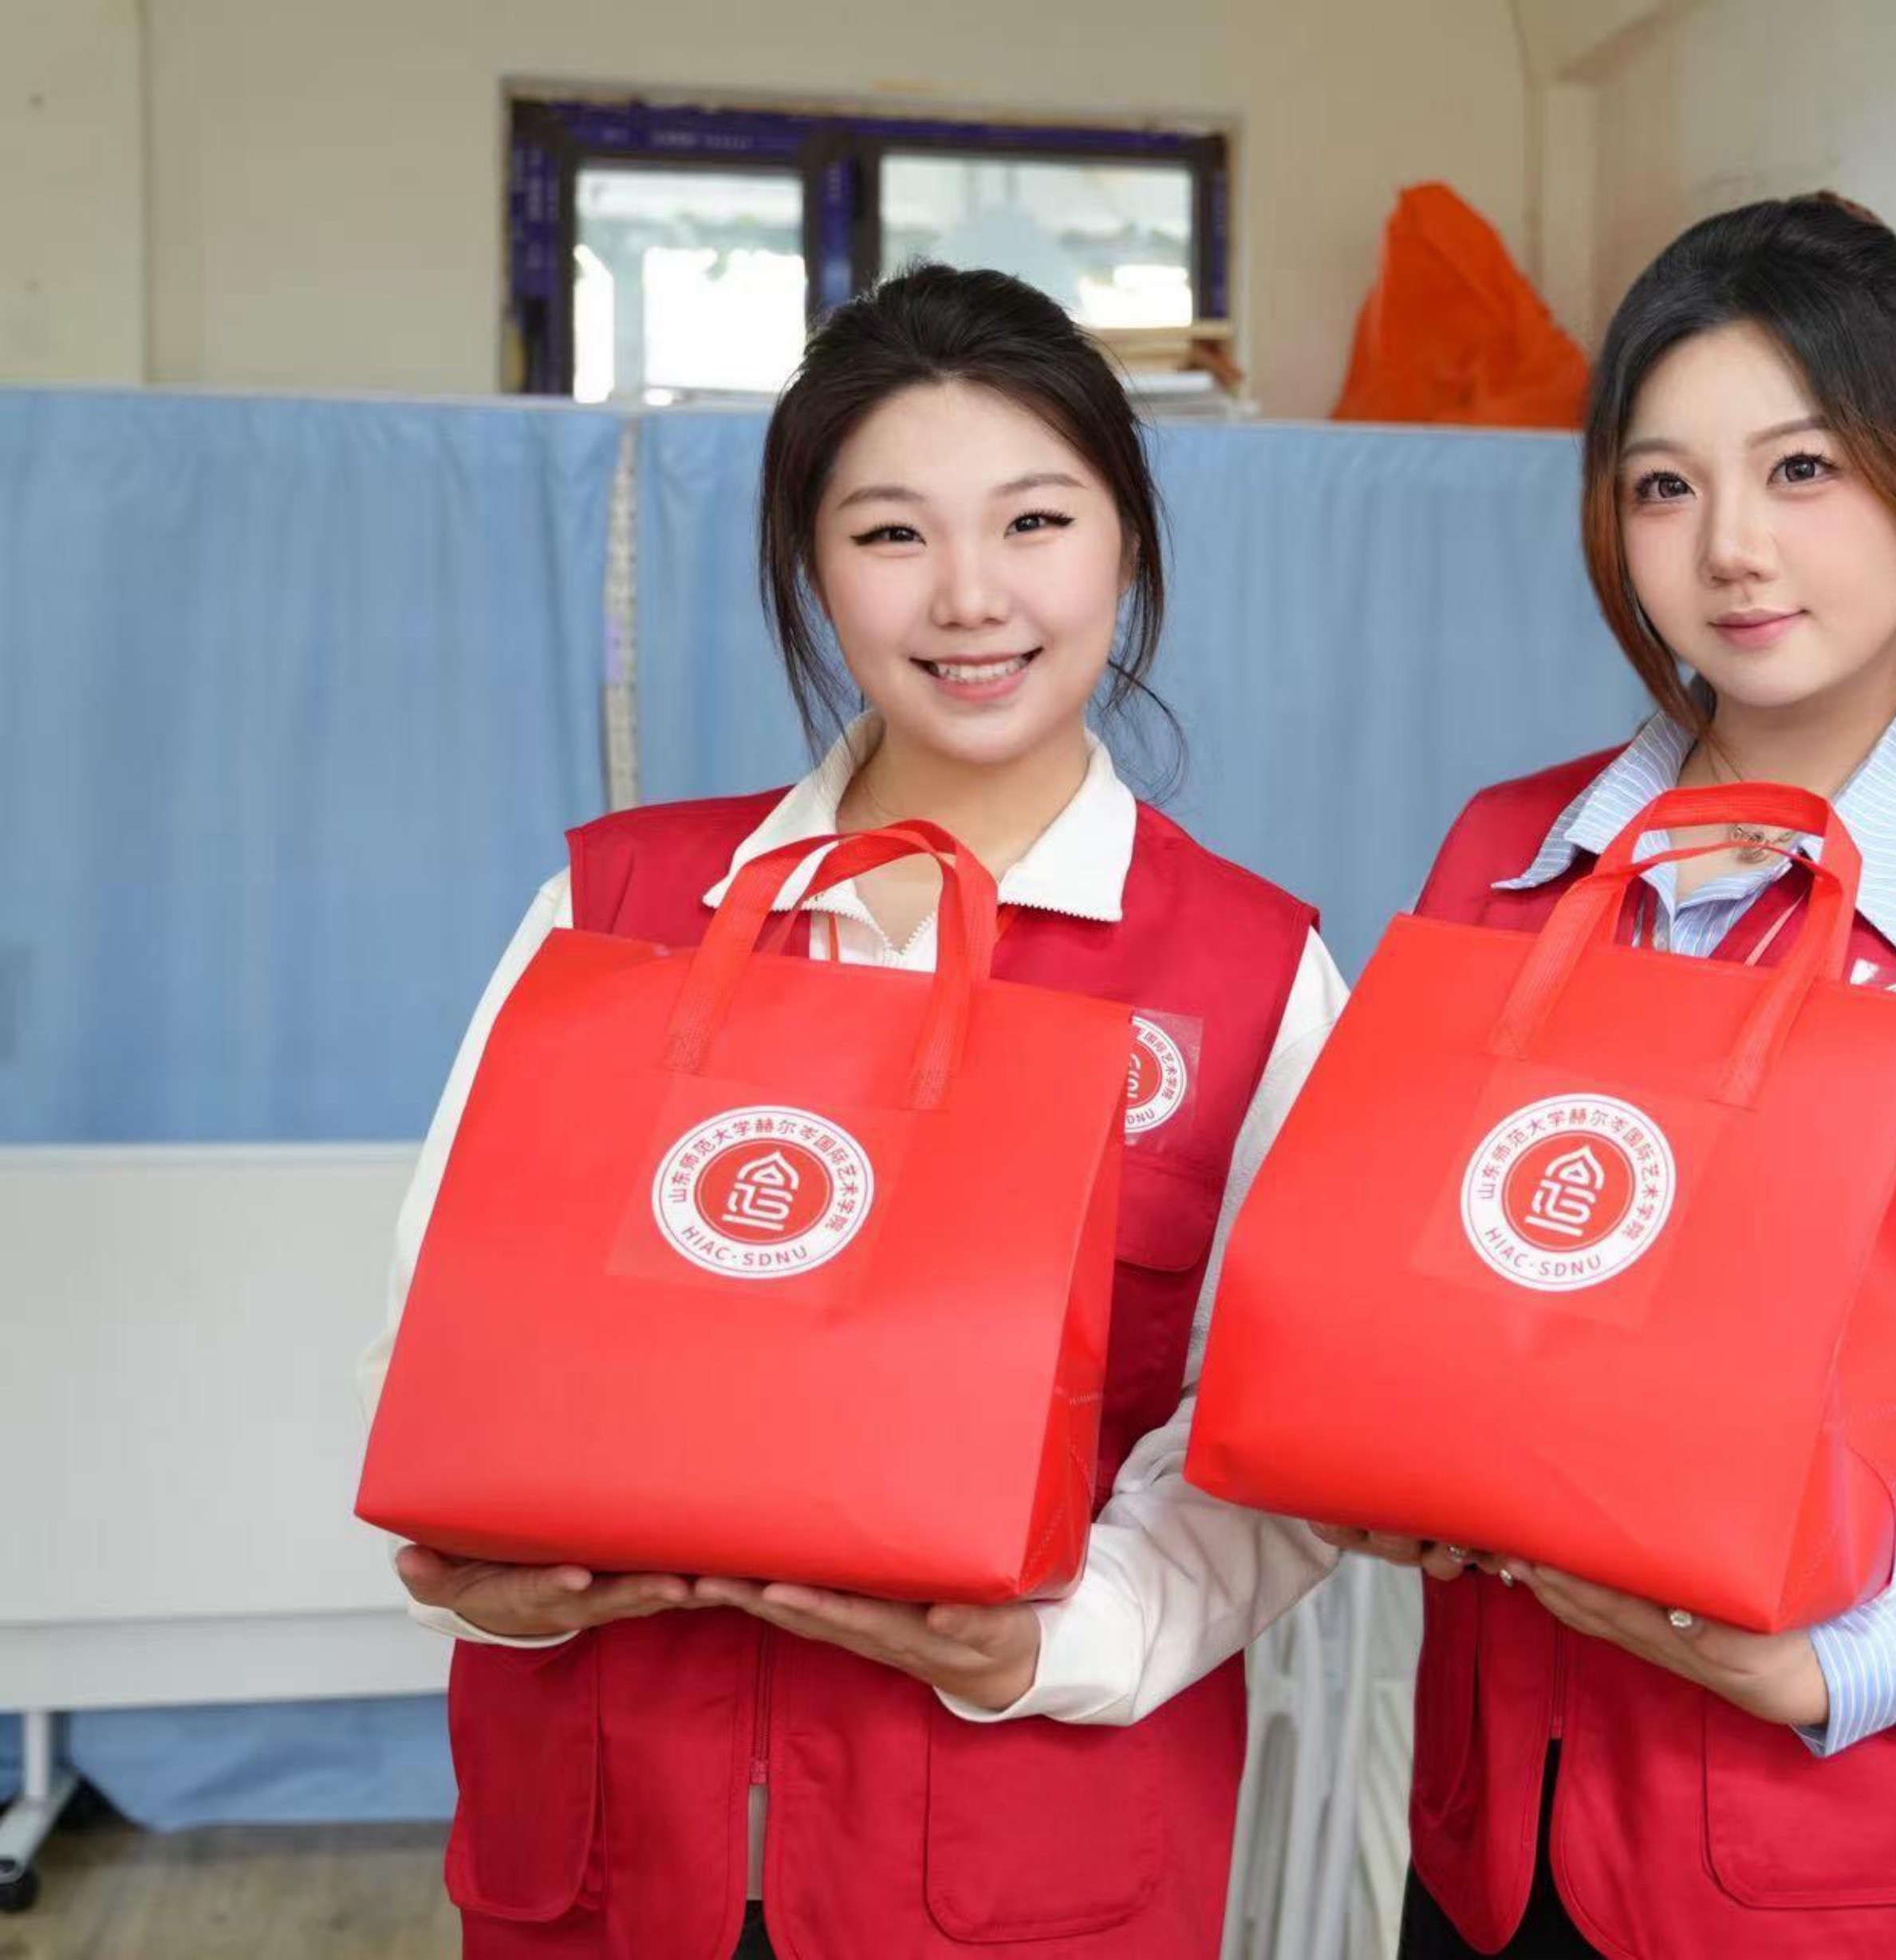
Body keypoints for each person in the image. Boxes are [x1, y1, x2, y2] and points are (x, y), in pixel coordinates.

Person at [360, 264, 1345, 1959]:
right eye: (892, 532)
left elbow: (1275, 1448)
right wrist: (492, 1590)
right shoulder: (622, 908)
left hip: (1020, 1863)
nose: (970, 594)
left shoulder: (1252, 972)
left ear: (1124, 540)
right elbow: (440, 1331)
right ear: (811, 567)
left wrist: (1054, 1643)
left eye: (1034, 520)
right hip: (607, 1842)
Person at [1327, 192, 1896, 1960]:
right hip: (1499, 1844)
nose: (1730, 547)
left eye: (1801, 470)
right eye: (1664, 486)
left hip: (1839, 1866)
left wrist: (1819, 1659)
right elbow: (1426, 1283)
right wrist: (1385, 1463)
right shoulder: (1508, 858)